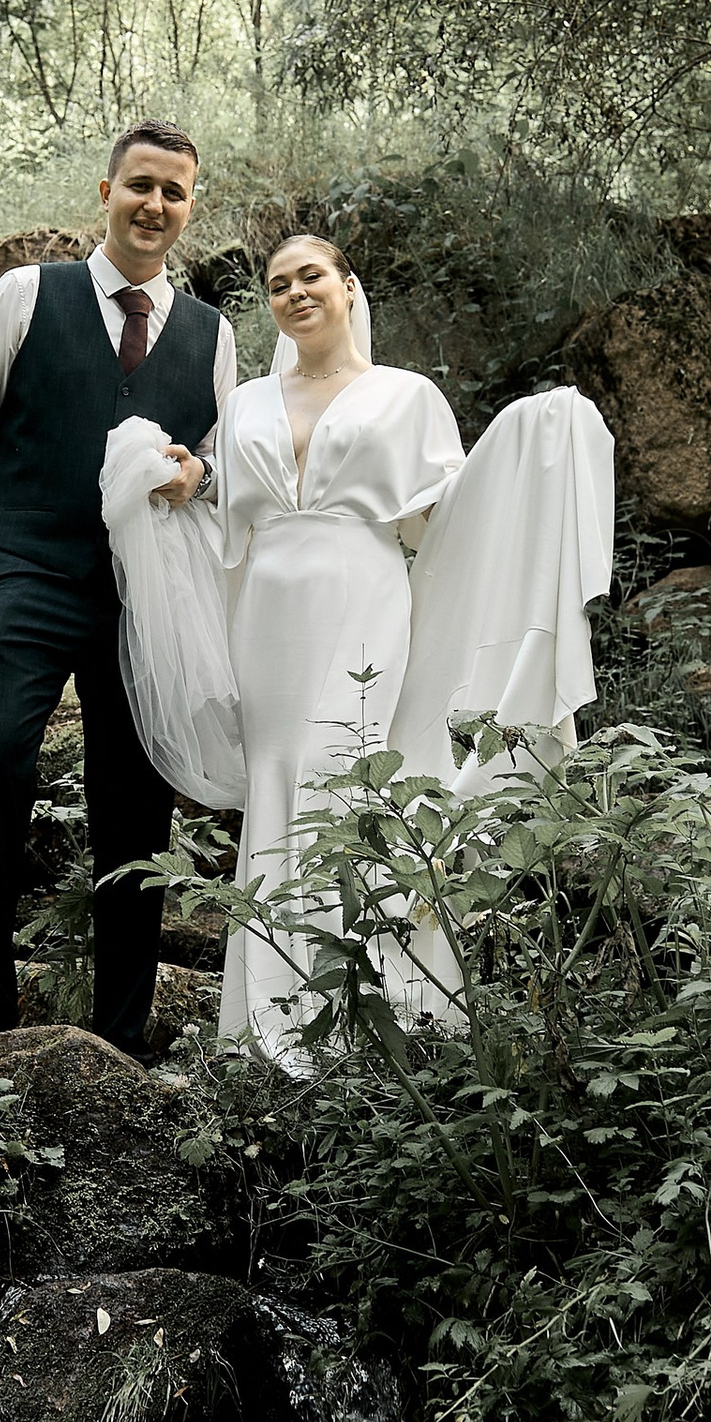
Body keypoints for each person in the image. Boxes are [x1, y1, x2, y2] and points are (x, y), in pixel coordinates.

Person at [0, 122, 234, 1054]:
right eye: (140, 185)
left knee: (133, 806)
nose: (155, 206)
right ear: (105, 192)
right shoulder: (28, 295)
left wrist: (201, 478)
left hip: (145, 596)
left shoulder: (213, 338)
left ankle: (123, 1032)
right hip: (22, 567)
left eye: (174, 193)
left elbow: (223, 462)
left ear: (189, 206)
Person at [202, 234, 464, 1054]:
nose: (294, 293)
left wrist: (528, 452)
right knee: (277, 777)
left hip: (363, 589)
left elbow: (444, 515)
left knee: (342, 770)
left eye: (310, 276)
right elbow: (223, 509)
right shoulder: (244, 400)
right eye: (278, 285)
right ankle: (267, 1021)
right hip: (267, 609)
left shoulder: (406, 394)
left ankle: (373, 1013)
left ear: (349, 287)